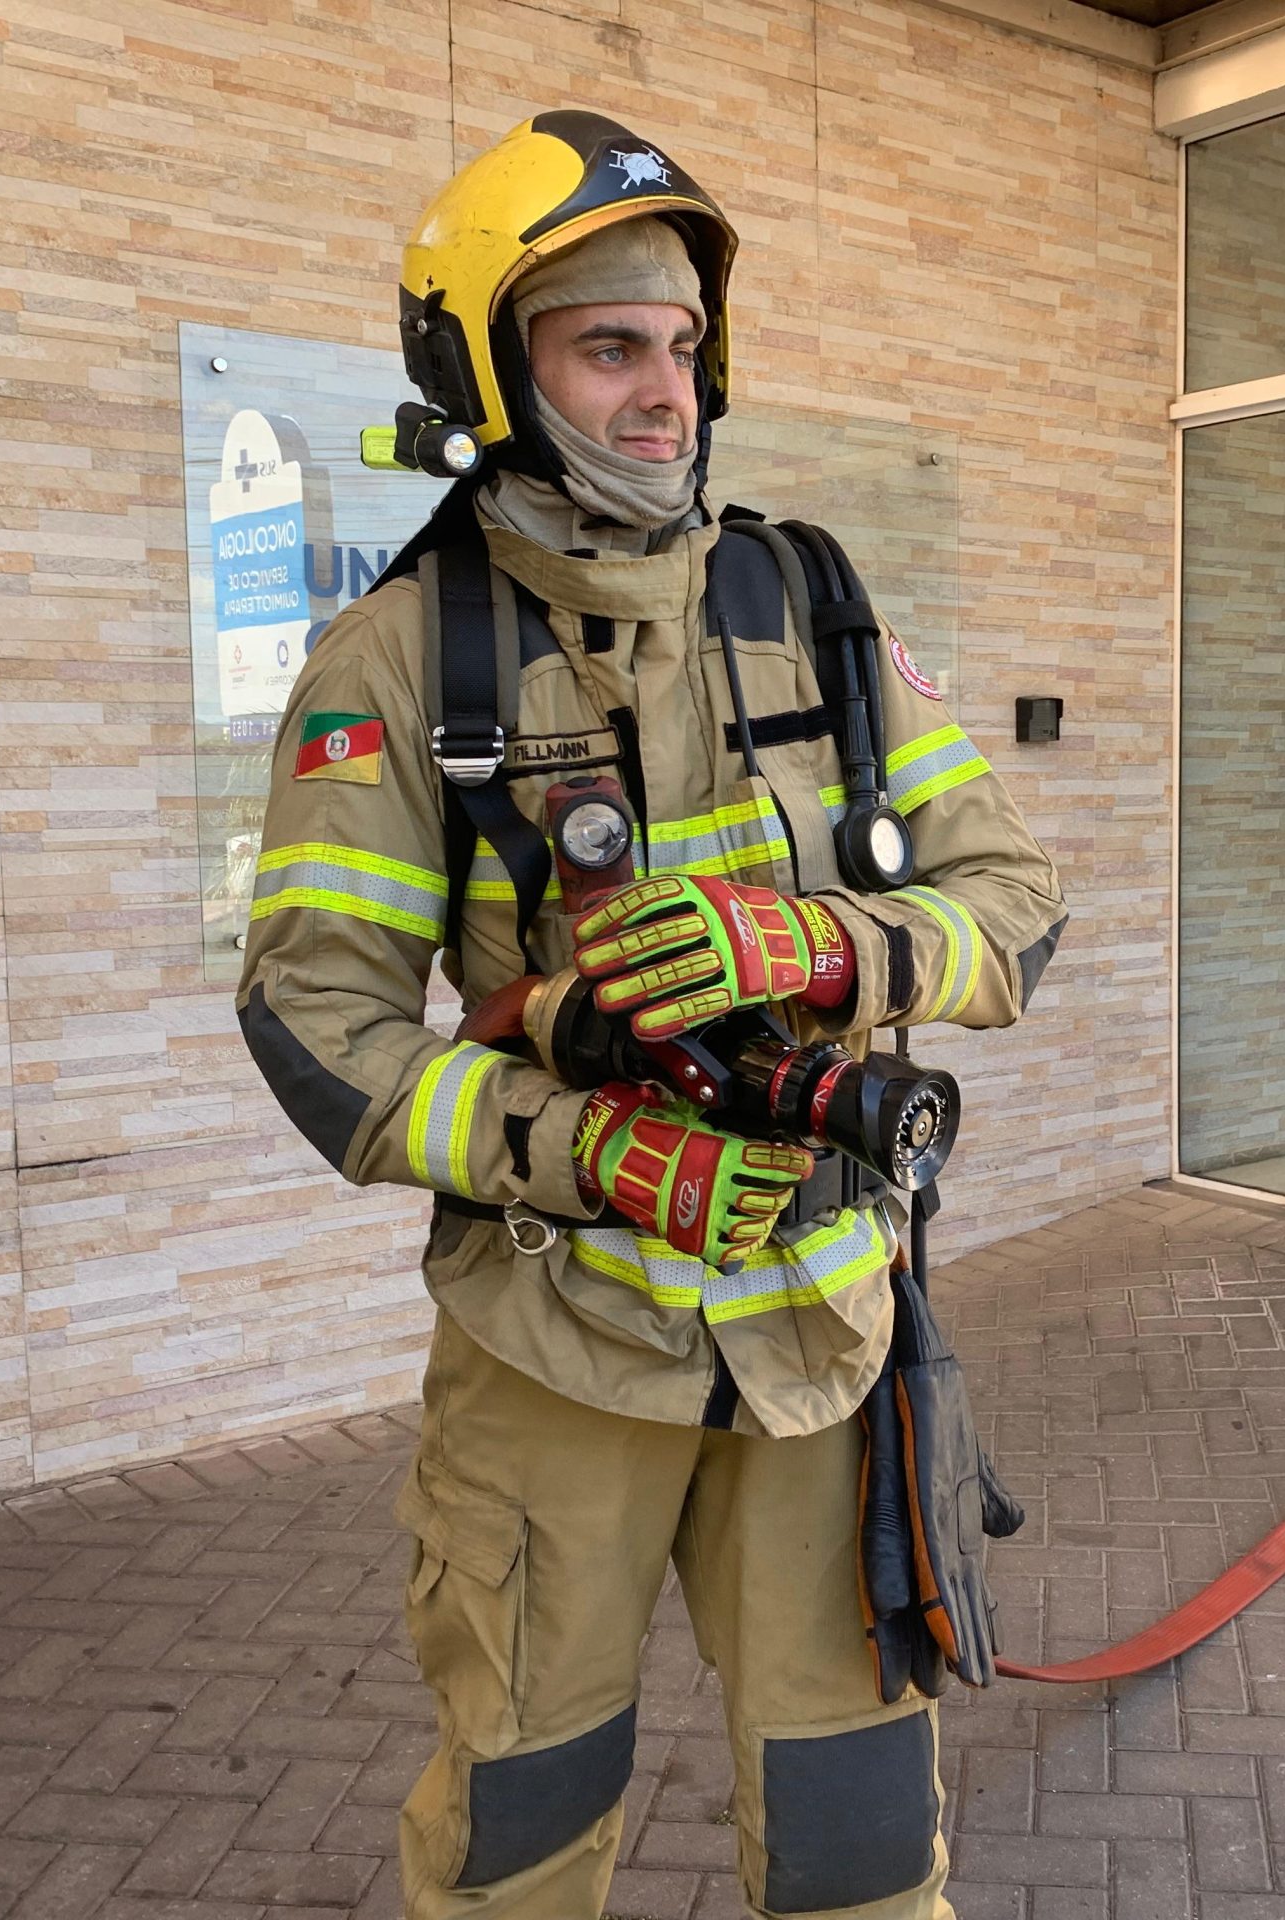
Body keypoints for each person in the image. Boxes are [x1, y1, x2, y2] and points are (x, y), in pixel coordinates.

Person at [234, 111, 1066, 1920]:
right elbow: (322, 1025)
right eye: (611, 346)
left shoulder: (816, 608)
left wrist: (833, 954)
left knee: (860, 1844)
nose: (665, 392)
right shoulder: (397, 661)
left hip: (826, 1352)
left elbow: (1016, 904)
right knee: (523, 1835)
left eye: (685, 347)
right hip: (555, 1355)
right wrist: (582, 1143)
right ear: (486, 366)